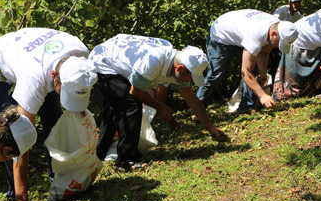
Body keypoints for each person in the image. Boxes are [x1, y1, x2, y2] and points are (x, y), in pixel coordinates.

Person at [0, 28, 97, 201]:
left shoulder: (81, 59)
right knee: (10, 137)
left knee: (54, 118)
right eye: (64, 91)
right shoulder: (33, 80)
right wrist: (22, 199)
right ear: (54, 76)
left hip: (31, 54)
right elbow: (21, 142)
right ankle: (13, 197)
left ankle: (58, 178)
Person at [90, 35, 226, 170]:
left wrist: (210, 127)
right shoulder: (154, 60)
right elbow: (136, 92)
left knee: (115, 108)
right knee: (130, 105)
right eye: (190, 78)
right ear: (180, 69)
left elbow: (190, 97)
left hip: (116, 61)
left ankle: (99, 153)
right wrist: (160, 108)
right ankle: (126, 160)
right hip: (103, 61)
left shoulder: (176, 65)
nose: (190, 81)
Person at [196, 9, 299, 112]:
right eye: (280, 43)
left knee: (255, 71)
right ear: (273, 34)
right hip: (220, 35)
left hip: (240, 33)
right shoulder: (255, 35)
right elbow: (245, 72)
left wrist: (263, 74)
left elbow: (264, 52)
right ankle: (198, 109)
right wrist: (262, 96)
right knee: (215, 75)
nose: (278, 46)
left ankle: (246, 108)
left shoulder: (277, 27)